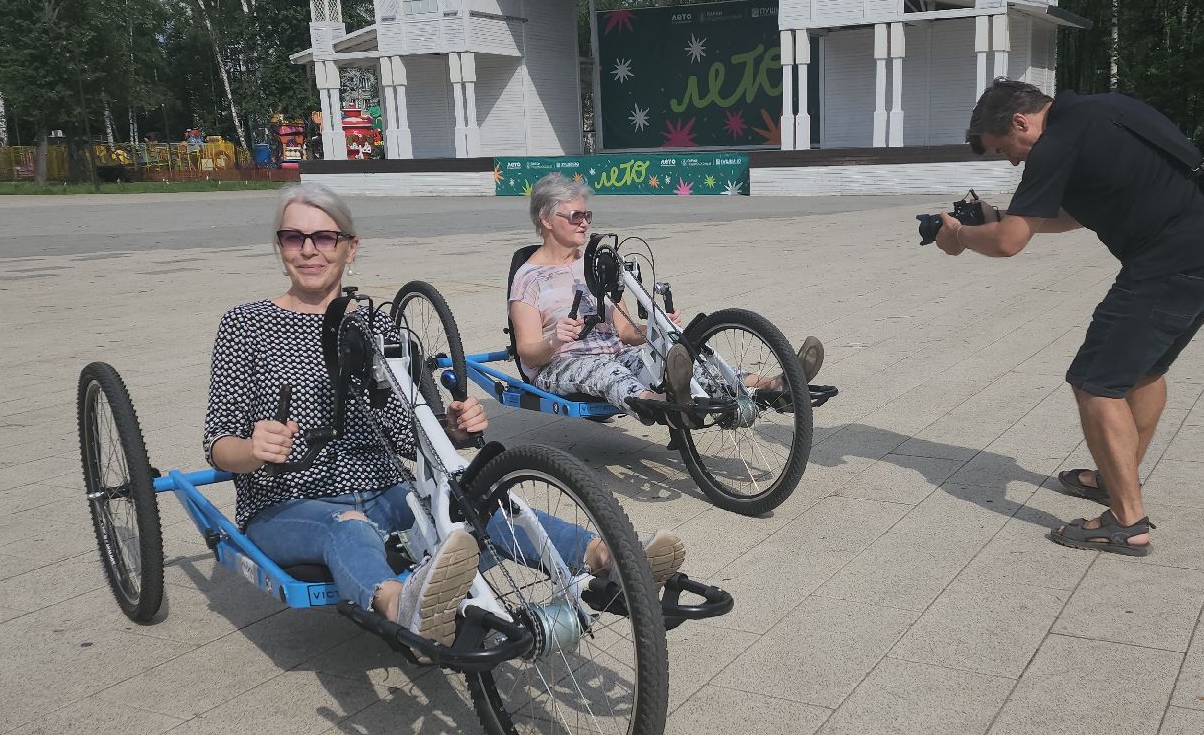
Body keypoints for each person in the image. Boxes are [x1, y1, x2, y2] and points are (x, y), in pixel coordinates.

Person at [206, 184, 686, 646]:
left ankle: (608, 556)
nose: (309, 250)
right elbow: (218, 444)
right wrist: (251, 450)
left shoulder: (379, 325)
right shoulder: (245, 325)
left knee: (479, 502)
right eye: (295, 237)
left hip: (387, 487)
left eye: (324, 237)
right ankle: (404, 609)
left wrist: (453, 427)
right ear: (280, 247)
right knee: (347, 525)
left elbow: (414, 427)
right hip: (287, 501)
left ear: (349, 248)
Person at [933, 79, 1204, 556]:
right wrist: (999, 213)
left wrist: (958, 234)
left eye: (1006, 149)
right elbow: (1075, 213)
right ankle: (1114, 477)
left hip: (1169, 268)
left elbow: (1007, 243)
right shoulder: (1106, 108)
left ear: (1022, 121)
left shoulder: (1054, 142)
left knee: (1095, 382)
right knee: (1144, 371)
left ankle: (1126, 521)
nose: (1013, 161)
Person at [507, 174, 825, 411]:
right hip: (558, 364)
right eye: (576, 216)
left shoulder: (597, 265)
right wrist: (555, 339)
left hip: (614, 351)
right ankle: (666, 405)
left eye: (587, 215)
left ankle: (774, 386)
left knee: (680, 355)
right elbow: (527, 352)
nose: (585, 223)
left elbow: (625, 332)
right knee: (608, 372)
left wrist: (657, 330)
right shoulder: (529, 278)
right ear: (546, 219)